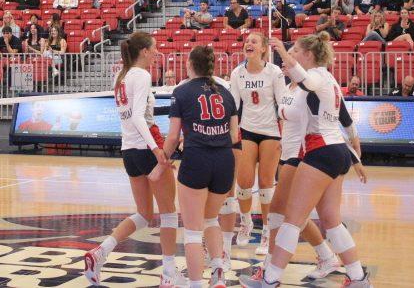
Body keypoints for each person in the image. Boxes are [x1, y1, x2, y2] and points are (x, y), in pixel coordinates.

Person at [240, 31, 371, 288]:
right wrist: (354, 153)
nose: (292, 58)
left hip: (319, 151)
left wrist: (282, 52)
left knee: (293, 219)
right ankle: (357, 277)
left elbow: (309, 83)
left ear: (308, 55)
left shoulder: (316, 78)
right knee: (331, 220)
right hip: (333, 152)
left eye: (297, 51)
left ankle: (270, 278)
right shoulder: (327, 79)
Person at [83, 32, 186, 287]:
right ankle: (168, 274)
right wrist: (157, 151)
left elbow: (132, 117)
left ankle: (101, 252)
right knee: (169, 214)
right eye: (154, 49)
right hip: (145, 148)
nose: (157, 52)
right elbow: (139, 118)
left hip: (128, 150)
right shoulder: (141, 75)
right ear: (143, 52)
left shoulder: (122, 77)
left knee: (143, 214)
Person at [152, 45, 238, 288]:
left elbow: (171, 137)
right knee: (211, 220)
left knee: (192, 231)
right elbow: (234, 136)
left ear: (189, 64)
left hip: (197, 160)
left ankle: (196, 284)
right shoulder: (226, 93)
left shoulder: (181, 92)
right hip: (224, 161)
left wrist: (161, 165)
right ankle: (219, 273)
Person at [230, 32, 286, 255]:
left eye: (254, 41)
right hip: (248, 130)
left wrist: (288, 133)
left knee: (265, 183)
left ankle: (267, 231)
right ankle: (245, 223)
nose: (248, 44)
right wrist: (233, 132)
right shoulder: (237, 73)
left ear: (264, 48)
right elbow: (233, 106)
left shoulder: (274, 72)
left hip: (271, 131)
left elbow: (282, 104)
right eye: (247, 41)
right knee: (243, 183)